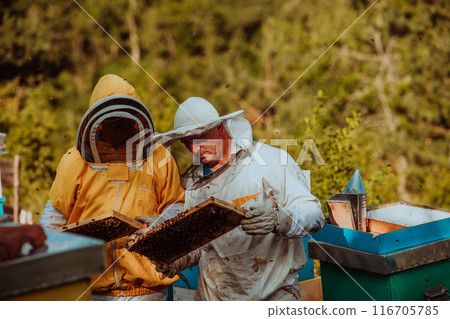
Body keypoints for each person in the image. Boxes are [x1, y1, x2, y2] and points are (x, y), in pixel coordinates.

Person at [154, 97, 326, 301]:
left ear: (219, 128)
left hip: (273, 296)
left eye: (199, 139)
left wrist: (279, 219)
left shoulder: (270, 162)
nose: (194, 149)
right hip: (214, 299)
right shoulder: (193, 184)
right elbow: (203, 246)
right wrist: (178, 259)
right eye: (186, 143)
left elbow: (314, 214)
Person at [39, 74, 185, 300]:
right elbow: (55, 214)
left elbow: (176, 205)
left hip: (148, 292)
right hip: (93, 290)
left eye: (128, 121)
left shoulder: (159, 157)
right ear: (100, 125)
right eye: (116, 122)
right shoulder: (74, 161)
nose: (124, 128)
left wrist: (162, 220)